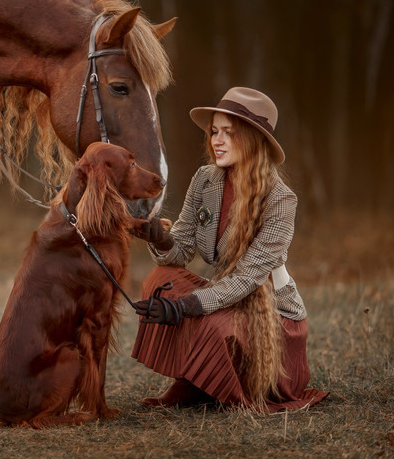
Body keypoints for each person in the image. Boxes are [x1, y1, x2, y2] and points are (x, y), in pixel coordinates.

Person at [129, 86, 328, 411]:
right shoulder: (205, 179)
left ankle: (200, 383)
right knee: (160, 281)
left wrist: (185, 307)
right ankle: (195, 379)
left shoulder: (281, 200)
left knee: (209, 322)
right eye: (214, 131)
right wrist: (160, 239)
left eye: (229, 133)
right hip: (227, 299)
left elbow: (246, 280)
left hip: (271, 317)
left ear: (253, 139)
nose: (216, 141)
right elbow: (182, 249)